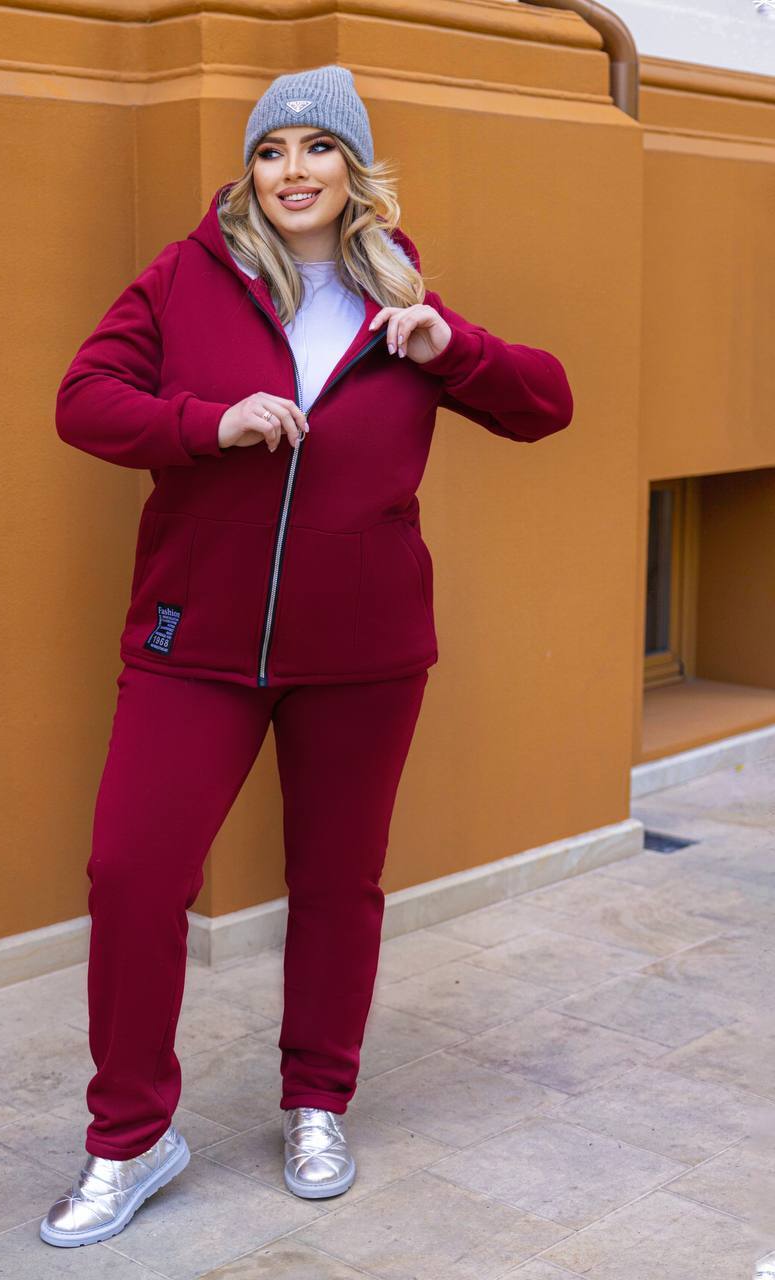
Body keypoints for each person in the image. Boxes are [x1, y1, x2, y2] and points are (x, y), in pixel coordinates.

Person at [40, 63, 574, 1248]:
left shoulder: (402, 299)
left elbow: (547, 403)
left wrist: (451, 347)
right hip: (193, 641)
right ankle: (129, 1136)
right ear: (250, 170)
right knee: (132, 873)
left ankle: (317, 1100)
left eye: (317, 147)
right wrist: (205, 423)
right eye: (271, 149)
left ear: (353, 168)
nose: (293, 170)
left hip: (365, 652)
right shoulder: (186, 278)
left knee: (338, 883)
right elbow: (83, 399)